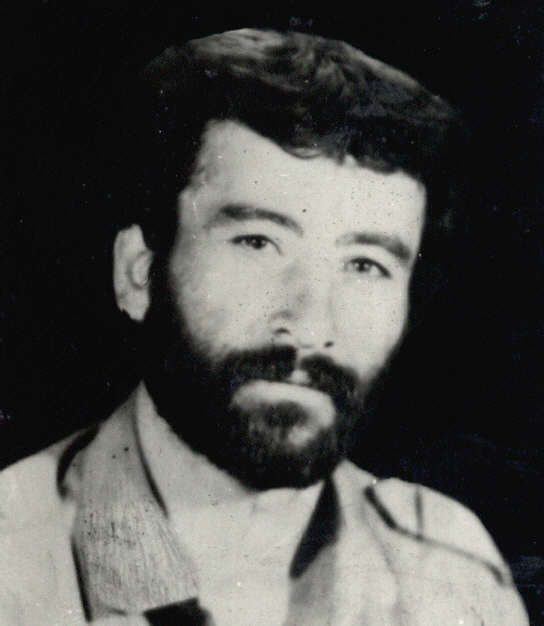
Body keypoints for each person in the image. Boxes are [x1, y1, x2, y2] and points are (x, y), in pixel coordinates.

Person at [0, 28, 529, 625]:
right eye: (257, 242)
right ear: (139, 274)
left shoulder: (449, 580)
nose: (310, 325)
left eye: (365, 265)